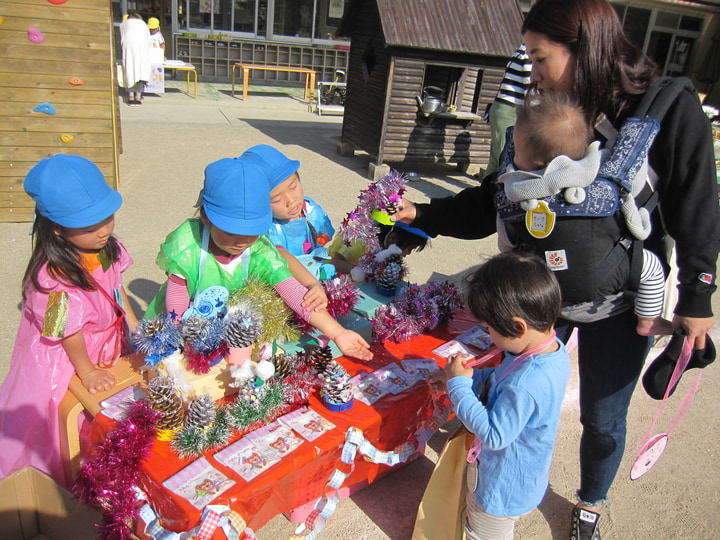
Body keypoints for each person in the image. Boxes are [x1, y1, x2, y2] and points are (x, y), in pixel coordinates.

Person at [393, 1, 720, 538]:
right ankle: (496, 465)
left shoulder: (663, 110)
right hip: (540, 301)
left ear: (585, 46)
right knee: (509, 389)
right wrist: (423, 216)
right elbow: (493, 201)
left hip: (619, 301)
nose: (534, 72)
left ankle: (590, 501)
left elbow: (697, 208)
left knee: (604, 415)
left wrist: (699, 298)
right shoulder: (541, 114)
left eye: (541, 58)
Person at [144, 155, 373, 362]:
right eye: (231, 232)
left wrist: (338, 333)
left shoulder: (259, 250)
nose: (242, 241)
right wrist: (179, 336)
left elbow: (292, 291)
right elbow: (176, 297)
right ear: (206, 218)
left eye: (251, 231)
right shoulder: (187, 244)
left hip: (225, 327)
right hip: (179, 326)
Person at [0, 154, 137, 485]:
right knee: (53, 418)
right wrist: (86, 369)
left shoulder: (106, 248)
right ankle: (60, 477)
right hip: (67, 352)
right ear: (57, 230)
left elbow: (118, 292)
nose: (104, 231)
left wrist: (135, 330)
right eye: (90, 227)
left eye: (108, 218)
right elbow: (64, 331)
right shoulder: (52, 278)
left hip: (104, 339)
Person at [503, 92, 672, 337]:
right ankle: (648, 321)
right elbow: (632, 209)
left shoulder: (514, 191)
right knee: (651, 267)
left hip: (543, 289)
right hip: (605, 282)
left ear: (538, 164)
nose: (513, 158)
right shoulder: (602, 174)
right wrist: (642, 223)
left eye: (516, 151)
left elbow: (506, 242)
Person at [428, 252, 570, 540]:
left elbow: (493, 434)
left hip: (499, 490)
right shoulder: (551, 349)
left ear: (517, 327)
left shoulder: (526, 382)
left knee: (484, 534)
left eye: (490, 328)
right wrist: (464, 379)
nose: (488, 333)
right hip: (525, 478)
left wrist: (458, 387)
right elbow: (498, 381)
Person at [242, 144, 333, 310]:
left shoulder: (311, 210)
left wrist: (318, 248)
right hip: (284, 287)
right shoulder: (268, 228)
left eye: (294, 187)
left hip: (315, 274)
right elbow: (280, 258)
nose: (291, 200)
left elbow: (323, 235)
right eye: (276, 200)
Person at [484, 44, 532, 178]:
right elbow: (530, 86)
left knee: (496, 160)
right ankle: (493, 195)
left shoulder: (523, 49)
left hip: (505, 109)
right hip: (509, 110)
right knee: (504, 160)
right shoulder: (528, 52)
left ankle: (484, 194)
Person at [328, 221, 430, 275]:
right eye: (409, 249)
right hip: (329, 276)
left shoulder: (384, 248)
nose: (408, 254)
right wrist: (362, 272)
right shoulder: (358, 239)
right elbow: (335, 262)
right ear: (392, 238)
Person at [120, 13, 152, 106]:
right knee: (141, 70)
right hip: (142, 47)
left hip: (129, 47)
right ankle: (138, 97)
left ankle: (131, 97)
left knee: (130, 69)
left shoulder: (123, 25)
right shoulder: (143, 24)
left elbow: (122, 38)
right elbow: (148, 40)